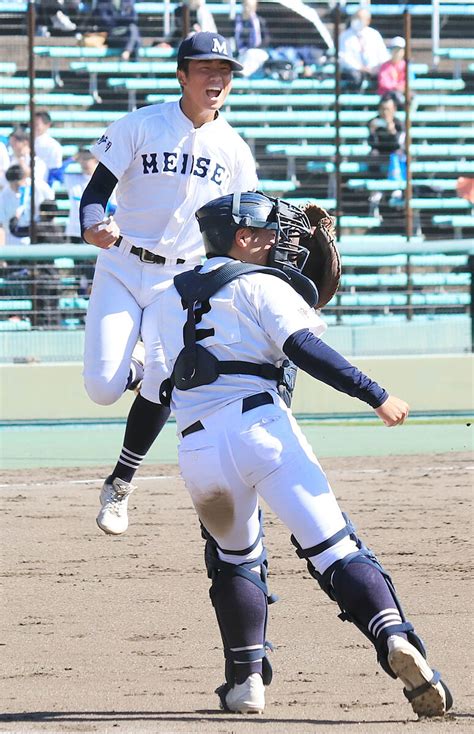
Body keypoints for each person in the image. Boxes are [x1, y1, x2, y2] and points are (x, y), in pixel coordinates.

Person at [152, 189, 453, 718]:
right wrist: (375, 394)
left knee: (234, 559)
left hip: (197, 446)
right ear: (242, 239)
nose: (281, 241)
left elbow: (154, 393)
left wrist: (124, 471)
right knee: (335, 549)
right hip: (260, 427)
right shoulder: (262, 283)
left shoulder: (162, 298)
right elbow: (303, 348)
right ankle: (394, 640)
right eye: (269, 233)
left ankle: (245, 684)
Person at [79, 32, 258, 536]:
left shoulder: (235, 151)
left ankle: (120, 483)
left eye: (224, 70)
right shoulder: (140, 125)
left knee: (164, 380)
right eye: (205, 68)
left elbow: (243, 227)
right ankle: (137, 364)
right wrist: (94, 225)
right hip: (120, 263)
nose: (217, 78)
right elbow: (94, 195)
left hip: (179, 279)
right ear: (182, 74)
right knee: (101, 388)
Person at [367, 96, 406, 217]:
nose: (385, 113)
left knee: (399, 156)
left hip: (394, 155)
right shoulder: (374, 122)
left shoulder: (399, 124)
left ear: (394, 109)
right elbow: (372, 144)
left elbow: (399, 144)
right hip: (379, 155)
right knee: (373, 155)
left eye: (388, 109)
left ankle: (397, 189)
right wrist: (372, 132)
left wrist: (393, 131)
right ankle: (376, 188)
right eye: (383, 109)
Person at [0, 164, 55, 246]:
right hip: (15, 237)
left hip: (37, 232)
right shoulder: (4, 196)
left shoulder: (39, 186)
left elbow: (51, 202)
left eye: (17, 184)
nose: (15, 188)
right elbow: (3, 222)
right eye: (12, 185)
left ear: (24, 178)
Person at [339, 6, 389, 91]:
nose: (357, 20)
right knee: (355, 78)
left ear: (368, 21)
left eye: (361, 18)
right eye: (356, 17)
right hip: (353, 71)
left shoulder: (374, 35)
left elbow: (383, 55)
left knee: (384, 77)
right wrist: (360, 67)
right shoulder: (345, 36)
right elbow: (343, 57)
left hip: (373, 70)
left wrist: (377, 67)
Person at [233, 0, 270, 78]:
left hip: (258, 53)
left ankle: (243, 74)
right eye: (246, 6)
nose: (247, 9)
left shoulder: (260, 21)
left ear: (255, 8)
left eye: (250, 7)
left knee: (252, 54)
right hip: (242, 53)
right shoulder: (237, 22)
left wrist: (254, 48)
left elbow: (266, 39)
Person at [34, 111, 65, 186]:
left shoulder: (53, 146)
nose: (33, 127)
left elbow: (55, 171)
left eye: (36, 124)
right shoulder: (24, 141)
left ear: (47, 125)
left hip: (43, 186)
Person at [377, 36, 407, 108]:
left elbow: (408, 80)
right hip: (387, 94)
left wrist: (402, 87)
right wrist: (396, 86)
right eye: (395, 50)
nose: (397, 53)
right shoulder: (385, 66)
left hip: (401, 92)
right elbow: (383, 82)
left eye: (399, 50)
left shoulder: (405, 66)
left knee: (412, 97)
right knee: (393, 97)